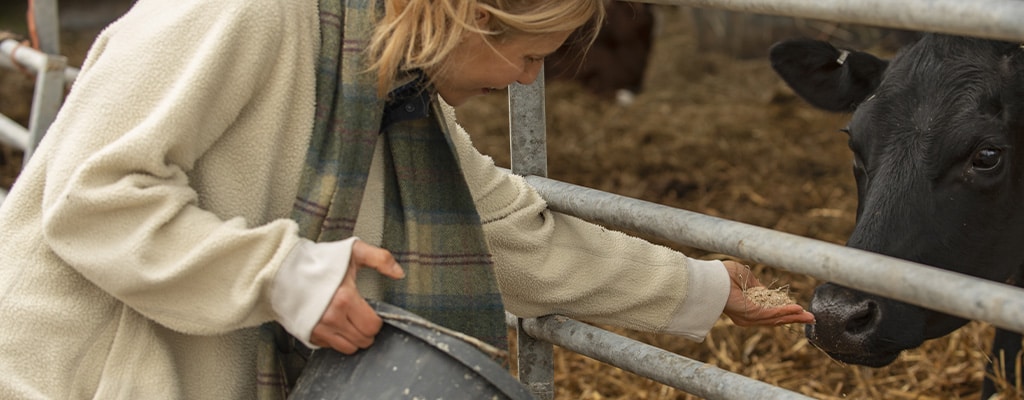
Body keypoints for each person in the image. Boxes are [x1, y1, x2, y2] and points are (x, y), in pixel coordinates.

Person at [0, 0, 815, 398]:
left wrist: (707, 287)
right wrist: (281, 276)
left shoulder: (393, 92)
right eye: (528, 55)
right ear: (468, 14)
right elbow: (90, 193)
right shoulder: (247, 11)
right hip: (75, 379)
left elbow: (507, 235)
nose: (529, 81)